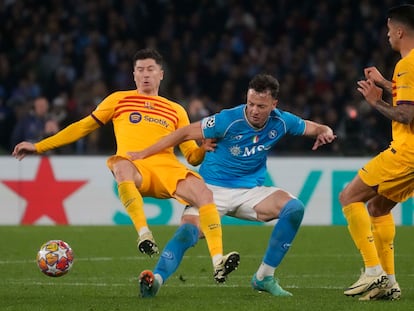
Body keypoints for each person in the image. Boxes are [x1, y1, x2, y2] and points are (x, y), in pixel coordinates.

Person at [12, 48, 239, 284]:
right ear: (133, 75)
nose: (145, 75)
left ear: (161, 74)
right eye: (140, 70)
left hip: (167, 170)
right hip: (135, 166)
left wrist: (203, 148)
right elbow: (81, 127)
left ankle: (218, 261)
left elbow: (191, 156)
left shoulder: (176, 110)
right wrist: (39, 146)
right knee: (121, 165)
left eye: (150, 69)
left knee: (204, 193)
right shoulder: (119, 99)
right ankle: (144, 234)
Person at [129, 73, 336, 297]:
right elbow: (184, 133)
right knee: (188, 232)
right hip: (210, 192)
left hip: (250, 193)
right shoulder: (228, 120)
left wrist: (325, 130)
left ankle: (264, 277)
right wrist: (143, 153)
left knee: (295, 208)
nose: (254, 110)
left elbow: (310, 127)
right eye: (251, 104)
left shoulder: (282, 121)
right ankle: (155, 281)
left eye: (261, 106)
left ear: (274, 105)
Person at [339, 4, 414, 301]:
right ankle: (390, 284)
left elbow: (407, 116)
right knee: (378, 209)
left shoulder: (407, 64)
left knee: (349, 197)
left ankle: (373, 272)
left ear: (399, 31)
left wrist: (375, 101)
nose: (386, 36)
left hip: (407, 151)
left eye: (388, 30)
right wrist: (385, 84)